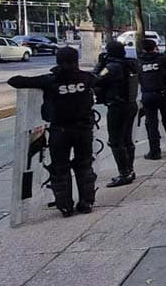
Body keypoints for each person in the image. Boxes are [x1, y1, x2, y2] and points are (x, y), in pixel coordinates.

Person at [8, 48, 98, 217]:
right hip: (83, 130)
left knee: (60, 168)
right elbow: (100, 81)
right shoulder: (87, 79)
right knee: (84, 165)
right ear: (77, 60)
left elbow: (15, 81)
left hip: (60, 131)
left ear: (57, 61)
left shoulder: (50, 80)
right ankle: (87, 202)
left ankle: (65, 206)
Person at [94, 40, 139, 188]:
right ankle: (130, 170)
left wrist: (100, 64)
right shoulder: (130, 64)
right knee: (127, 139)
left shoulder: (112, 67)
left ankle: (124, 173)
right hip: (130, 104)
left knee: (115, 141)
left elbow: (96, 79)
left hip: (117, 106)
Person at [138, 39, 166, 160]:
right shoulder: (164, 58)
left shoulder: (139, 62)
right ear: (155, 47)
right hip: (164, 94)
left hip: (148, 96)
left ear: (142, 49)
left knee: (151, 123)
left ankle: (154, 152)